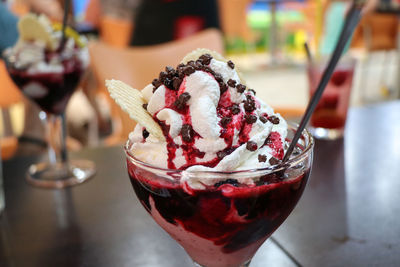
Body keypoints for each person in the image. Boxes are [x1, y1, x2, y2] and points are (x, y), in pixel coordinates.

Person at [130, 0, 220, 46]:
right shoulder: (150, 7)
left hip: (196, 71)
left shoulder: (203, 4)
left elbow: (216, 42)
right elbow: (136, 51)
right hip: (152, 70)